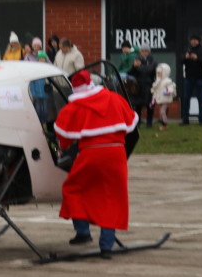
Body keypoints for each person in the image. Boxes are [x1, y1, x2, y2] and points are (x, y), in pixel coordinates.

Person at [53, 69, 139, 259]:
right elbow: (131, 123)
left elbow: (63, 136)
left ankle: (83, 232)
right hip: (116, 154)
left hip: (90, 153)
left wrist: (63, 148)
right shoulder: (114, 98)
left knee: (74, 189)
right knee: (112, 197)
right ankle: (106, 246)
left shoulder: (75, 107)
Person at [180, 34, 202, 126]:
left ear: (198, 41)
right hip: (189, 78)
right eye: (192, 40)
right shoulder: (187, 49)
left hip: (200, 78)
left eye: (195, 40)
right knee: (186, 98)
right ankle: (185, 119)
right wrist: (185, 58)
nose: (193, 41)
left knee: (201, 99)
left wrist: (197, 58)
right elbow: (181, 61)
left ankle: (201, 120)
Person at [132, 44, 157, 128]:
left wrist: (140, 67)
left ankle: (149, 123)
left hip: (149, 85)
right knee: (138, 105)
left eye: (146, 51)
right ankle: (137, 123)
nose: (144, 53)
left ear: (149, 52)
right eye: (142, 51)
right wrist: (134, 67)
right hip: (138, 85)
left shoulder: (153, 60)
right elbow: (131, 73)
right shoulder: (136, 59)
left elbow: (150, 71)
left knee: (150, 105)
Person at [150, 63, 176, 130]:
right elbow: (155, 91)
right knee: (161, 111)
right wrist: (153, 101)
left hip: (165, 99)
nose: (158, 74)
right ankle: (162, 123)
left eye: (160, 73)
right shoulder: (158, 81)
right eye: (157, 73)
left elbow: (171, 89)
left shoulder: (168, 81)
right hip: (159, 99)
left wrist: (166, 92)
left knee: (162, 111)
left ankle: (165, 123)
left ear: (165, 72)